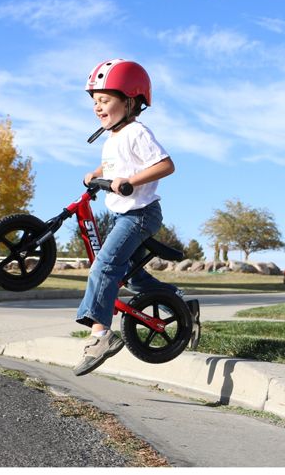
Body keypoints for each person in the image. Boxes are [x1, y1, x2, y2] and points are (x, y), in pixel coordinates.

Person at [73, 59, 200, 376]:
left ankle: (100, 336)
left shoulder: (137, 132)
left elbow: (166, 165)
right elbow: (116, 166)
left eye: (105, 100)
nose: (97, 108)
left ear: (130, 100)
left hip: (140, 215)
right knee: (134, 278)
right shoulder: (113, 136)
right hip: (124, 216)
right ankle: (182, 305)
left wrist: (132, 182)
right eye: (94, 102)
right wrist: (97, 174)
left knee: (105, 265)